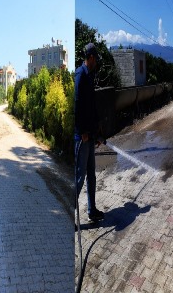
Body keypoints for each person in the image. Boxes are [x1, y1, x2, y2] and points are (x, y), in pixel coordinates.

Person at [74, 43, 104, 222]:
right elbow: (77, 105)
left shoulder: (89, 76)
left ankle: (92, 211)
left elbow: (91, 107)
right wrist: (83, 131)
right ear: (91, 58)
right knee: (79, 178)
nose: (97, 62)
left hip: (90, 136)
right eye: (96, 59)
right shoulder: (81, 75)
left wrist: (96, 130)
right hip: (82, 138)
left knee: (91, 174)